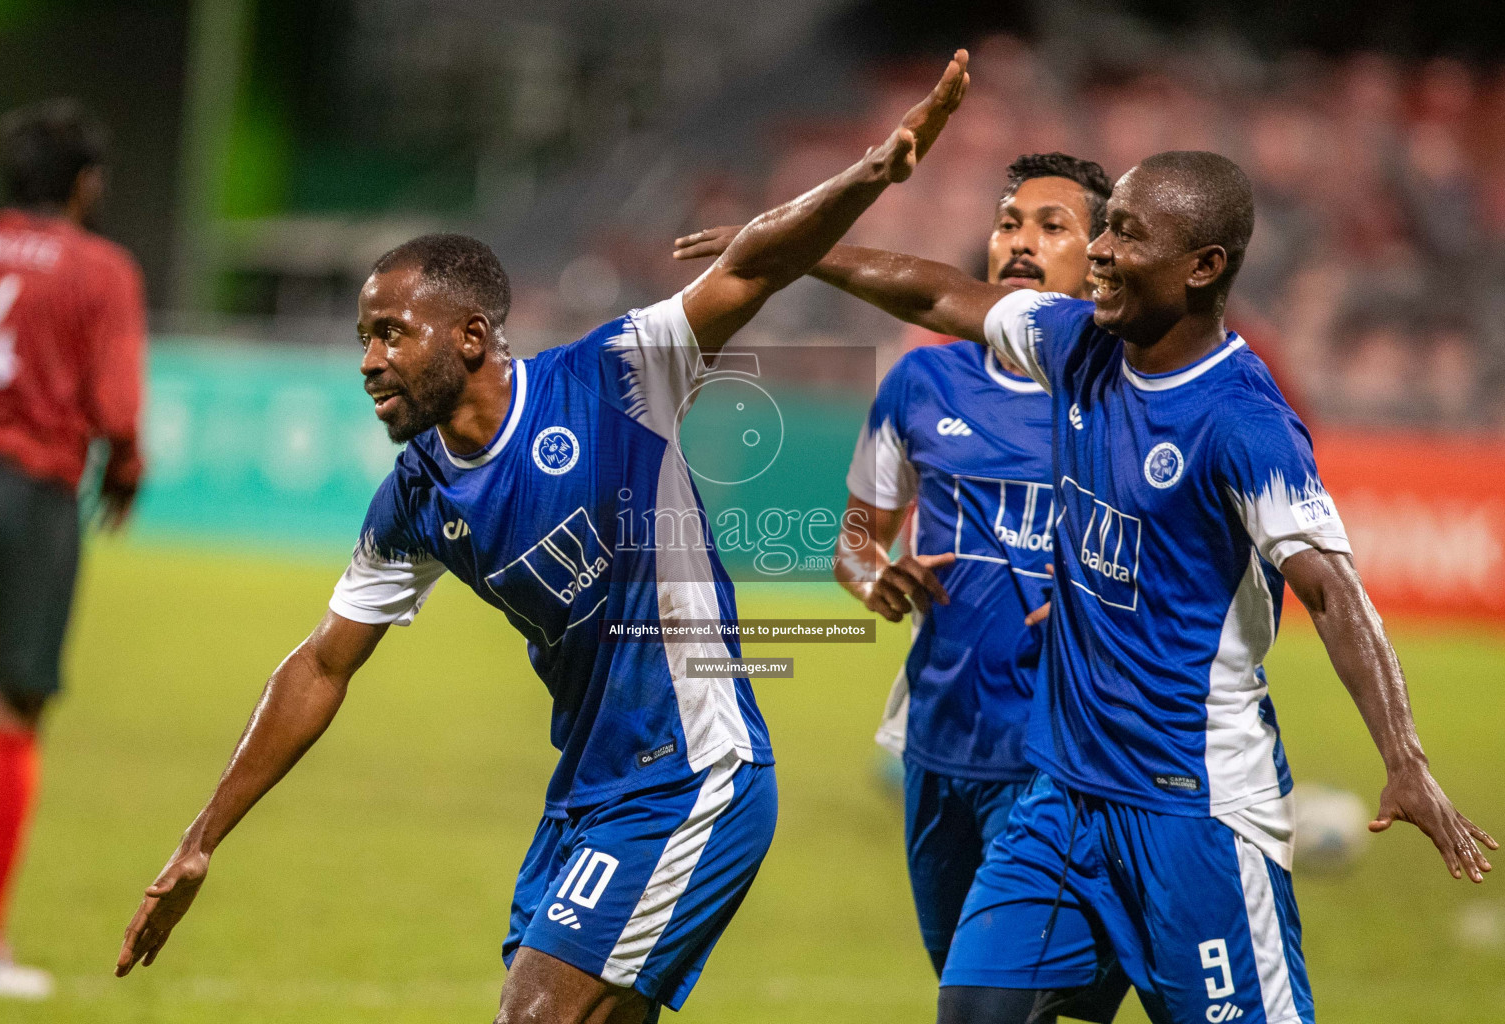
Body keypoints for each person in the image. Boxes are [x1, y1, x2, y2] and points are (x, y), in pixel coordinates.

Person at [114, 51, 972, 1024]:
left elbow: (752, 264)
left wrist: (869, 175)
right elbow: (320, 666)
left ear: (472, 336)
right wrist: (201, 839)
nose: (368, 360)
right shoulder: (415, 496)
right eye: (364, 336)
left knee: (534, 1016)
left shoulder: (613, 376)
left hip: (695, 775)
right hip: (588, 794)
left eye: (392, 332)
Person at [715, 149, 1495, 1024]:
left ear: (1203, 267)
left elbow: (1333, 591)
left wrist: (1406, 761)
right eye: (1107, 226)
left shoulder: (1243, 423)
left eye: (1126, 233)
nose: (1102, 252)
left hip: (1194, 810)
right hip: (1060, 797)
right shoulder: (1077, 345)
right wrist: (786, 247)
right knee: (972, 1011)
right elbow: (933, 294)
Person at [677, 153, 1127, 1021]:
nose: (1021, 242)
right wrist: (876, 576)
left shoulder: (1119, 392)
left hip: (1058, 757)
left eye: (1051, 226)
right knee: (971, 988)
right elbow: (852, 542)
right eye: (1008, 223)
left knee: (1004, 1002)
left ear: (1101, 254)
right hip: (938, 746)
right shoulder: (923, 383)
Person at [0, 99, 145, 999]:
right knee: (12, 712)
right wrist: (125, 472)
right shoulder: (100, 268)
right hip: (28, 493)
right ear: (83, 184)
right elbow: (117, 411)